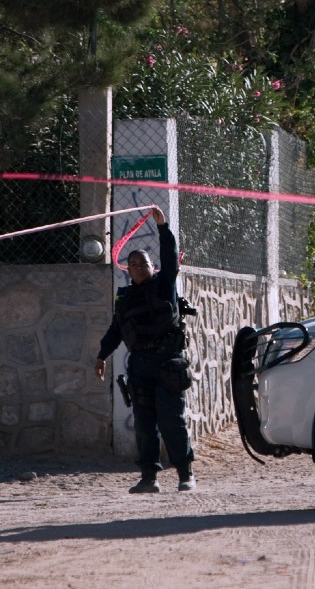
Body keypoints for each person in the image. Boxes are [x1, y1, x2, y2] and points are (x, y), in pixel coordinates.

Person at [95, 206, 196, 493]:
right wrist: (102, 355)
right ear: (129, 270)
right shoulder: (125, 299)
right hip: (140, 366)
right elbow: (116, 331)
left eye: (144, 263)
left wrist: (162, 226)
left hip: (168, 362)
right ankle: (149, 478)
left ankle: (185, 474)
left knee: (172, 420)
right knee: (144, 424)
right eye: (134, 264)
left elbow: (169, 255)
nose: (140, 267)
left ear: (153, 267)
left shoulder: (165, 286)